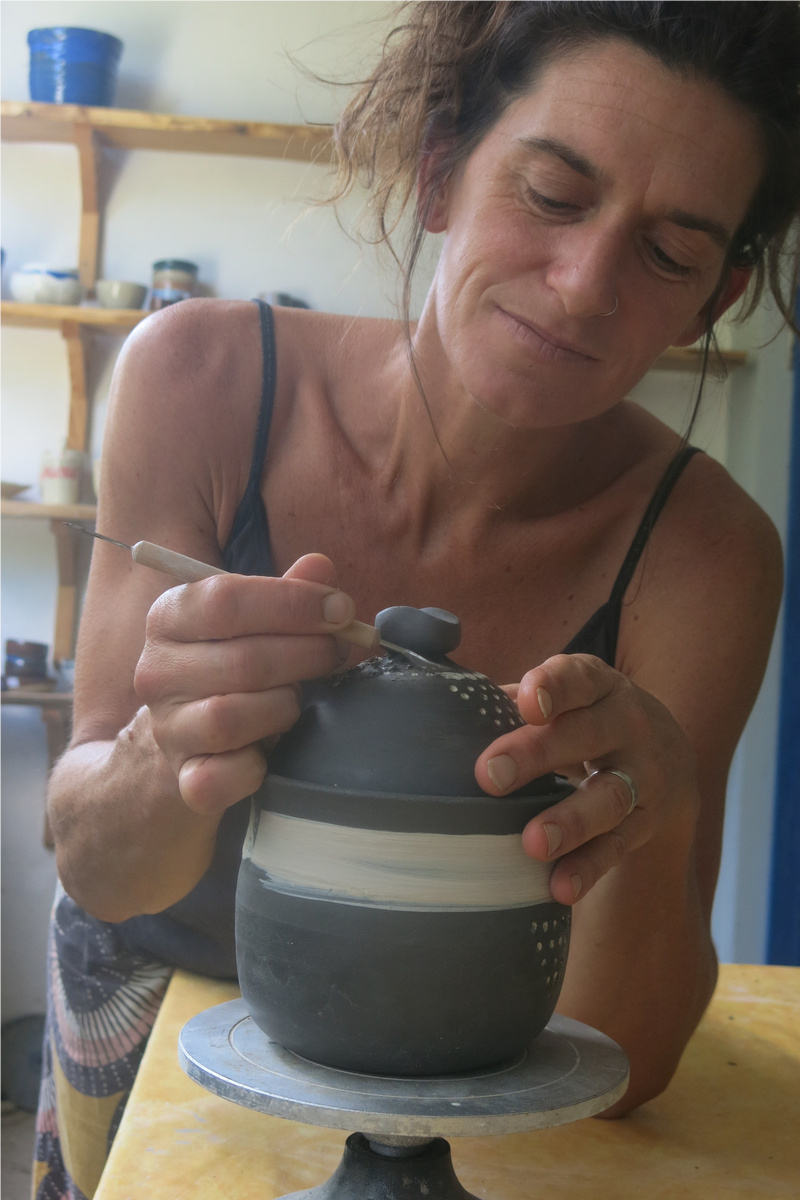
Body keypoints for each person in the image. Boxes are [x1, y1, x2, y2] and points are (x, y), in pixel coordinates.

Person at [34, 0, 800, 1195]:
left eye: (667, 255)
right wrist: (164, 745)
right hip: (158, 1011)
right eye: (550, 194)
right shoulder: (198, 379)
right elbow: (100, 867)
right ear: (440, 170)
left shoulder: (705, 553)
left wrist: (658, 813)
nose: (582, 286)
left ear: (714, 297)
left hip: (473, 1089)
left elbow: (621, 1063)